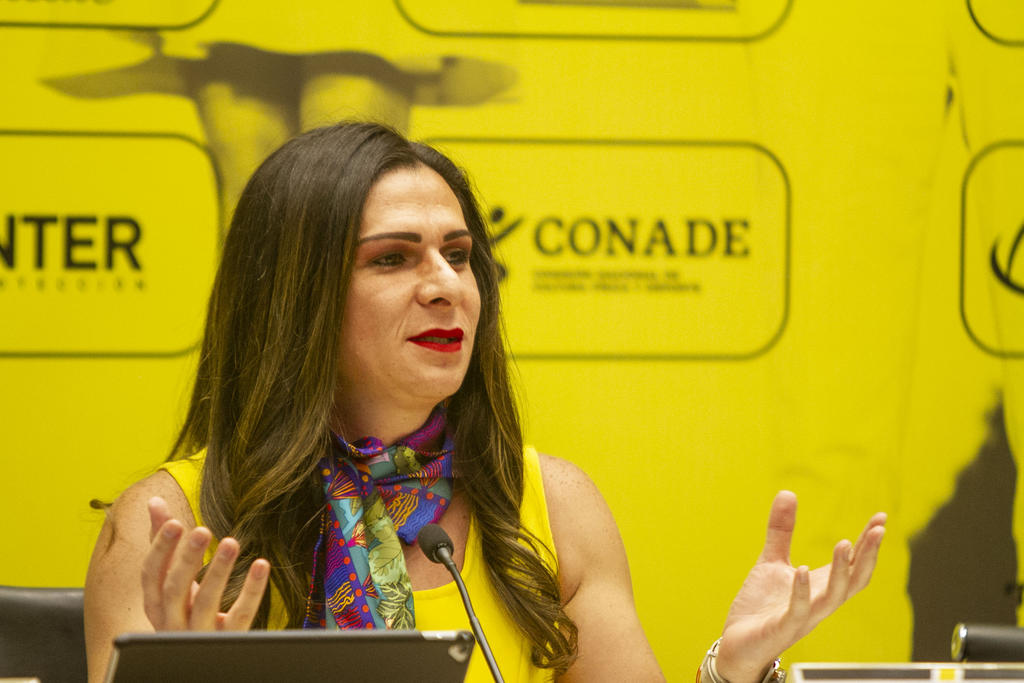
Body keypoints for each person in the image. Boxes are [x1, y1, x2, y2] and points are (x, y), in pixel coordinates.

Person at [83, 121, 886, 683]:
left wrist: (733, 671)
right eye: (393, 258)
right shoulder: (170, 526)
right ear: (296, 294)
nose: (446, 285)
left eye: (458, 253)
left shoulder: (553, 505)